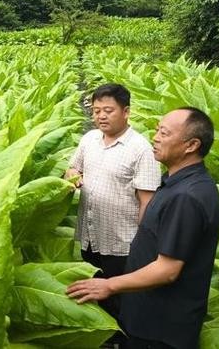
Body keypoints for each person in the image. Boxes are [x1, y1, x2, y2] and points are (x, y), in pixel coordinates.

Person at [67, 107, 219, 349]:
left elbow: (167, 270)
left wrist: (108, 285)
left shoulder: (187, 197)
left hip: (160, 327)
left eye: (164, 132)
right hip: (147, 315)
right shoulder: (177, 183)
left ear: (191, 145)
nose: (155, 137)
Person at [65, 83, 161, 319]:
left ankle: (122, 339)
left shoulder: (141, 149)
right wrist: (73, 177)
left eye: (108, 110)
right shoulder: (89, 139)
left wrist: (143, 245)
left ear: (126, 111)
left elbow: (147, 201)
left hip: (122, 243)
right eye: (96, 111)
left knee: (121, 301)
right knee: (94, 292)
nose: (101, 116)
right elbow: (72, 167)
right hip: (90, 237)